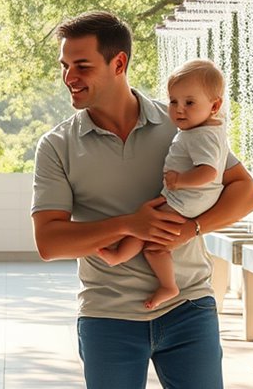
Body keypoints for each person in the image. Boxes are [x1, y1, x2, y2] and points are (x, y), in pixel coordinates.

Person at [31, 11, 253, 389]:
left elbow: (247, 193)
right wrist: (128, 224)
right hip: (107, 315)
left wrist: (192, 228)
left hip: (189, 308)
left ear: (118, 63)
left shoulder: (182, 121)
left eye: (82, 65)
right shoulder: (57, 145)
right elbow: (49, 242)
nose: (69, 77)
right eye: (65, 65)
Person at [97, 59, 229, 310]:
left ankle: (165, 283)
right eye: (173, 101)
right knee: (149, 224)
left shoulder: (202, 135)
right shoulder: (207, 129)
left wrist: (180, 181)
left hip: (188, 198)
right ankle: (121, 256)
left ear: (215, 106)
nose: (179, 110)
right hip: (188, 198)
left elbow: (209, 172)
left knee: (153, 239)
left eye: (189, 103)